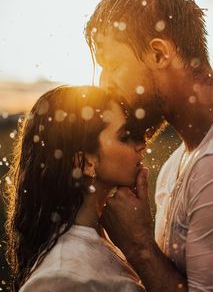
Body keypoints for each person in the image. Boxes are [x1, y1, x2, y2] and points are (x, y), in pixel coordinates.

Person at [85, 0, 213, 291]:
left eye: (113, 64)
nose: (105, 84)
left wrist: (139, 246)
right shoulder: (175, 164)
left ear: (158, 53)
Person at [4, 85, 161, 291]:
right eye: (124, 137)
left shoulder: (115, 238)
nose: (141, 144)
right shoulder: (60, 279)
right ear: (86, 162)